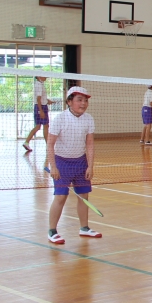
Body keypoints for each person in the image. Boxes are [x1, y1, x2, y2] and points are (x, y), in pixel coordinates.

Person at [46, 86, 101, 244]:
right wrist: (53, 166)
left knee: (84, 196)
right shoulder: (60, 119)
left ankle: (84, 228)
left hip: (80, 162)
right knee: (60, 196)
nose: (83, 103)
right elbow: (50, 144)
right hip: (62, 162)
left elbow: (89, 144)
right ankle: (52, 231)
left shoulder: (88, 119)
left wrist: (90, 166)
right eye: (79, 100)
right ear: (69, 102)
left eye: (85, 101)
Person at [22, 75, 54, 157]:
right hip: (41, 107)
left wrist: (47, 101)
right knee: (45, 126)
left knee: (38, 126)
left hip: (41, 106)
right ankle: (48, 146)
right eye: (44, 75)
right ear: (39, 76)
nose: (46, 77)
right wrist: (41, 111)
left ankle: (26, 142)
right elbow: (38, 99)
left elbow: (41, 98)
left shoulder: (39, 84)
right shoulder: (39, 85)